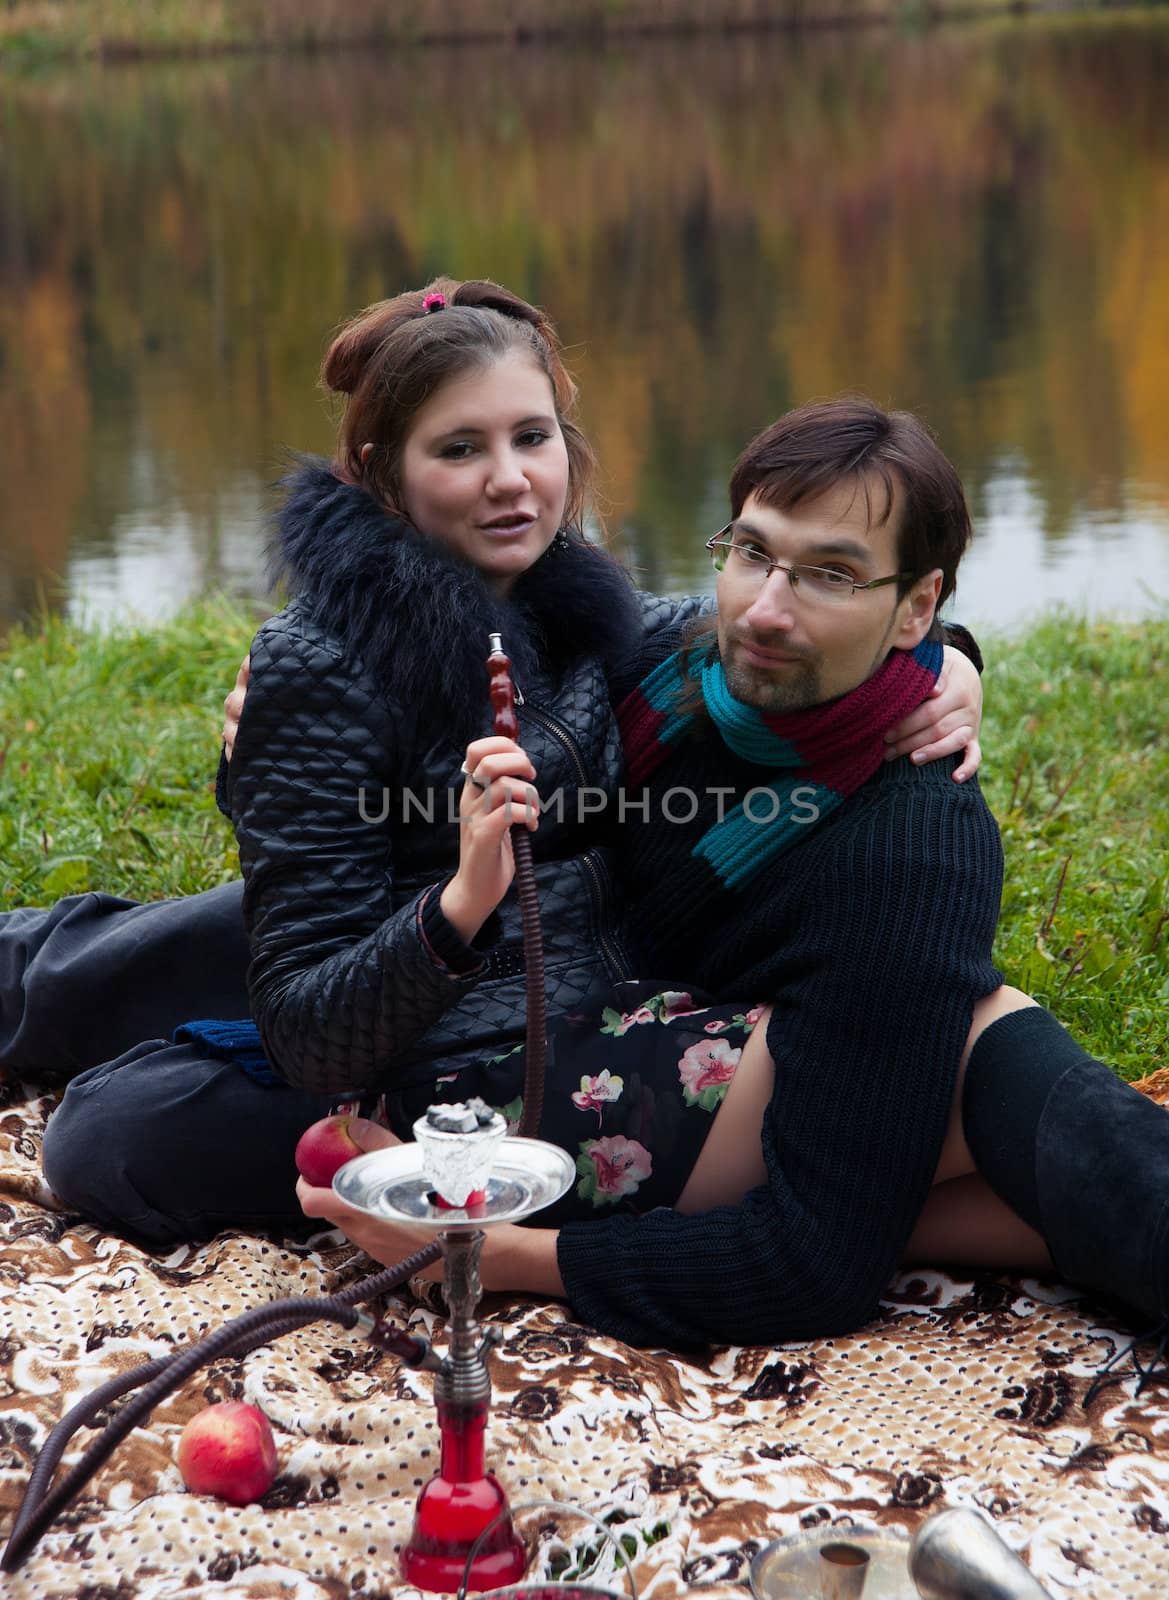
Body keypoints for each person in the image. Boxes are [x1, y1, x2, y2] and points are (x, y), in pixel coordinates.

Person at [28, 281, 980, 1245]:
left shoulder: (583, 612)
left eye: (533, 437)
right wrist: (460, 903)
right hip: (395, 1010)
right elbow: (314, 1033)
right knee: (102, 1096)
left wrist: (944, 657)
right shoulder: (319, 665)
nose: (511, 480)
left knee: (138, 1036)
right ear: (380, 471)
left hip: (539, 1012)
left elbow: (748, 638)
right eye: (459, 448)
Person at [294, 397, 1169, 1356]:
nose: (763, 610)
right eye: (752, 552)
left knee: (986, 1042)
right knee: (998, 1078)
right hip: (588, 1017)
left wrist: (497, 1255)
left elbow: (808, 1267)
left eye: (832, 575)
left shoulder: (910, 843)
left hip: (646, 1080)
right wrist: (287, 703)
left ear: (915, 604)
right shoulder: (667, 676)